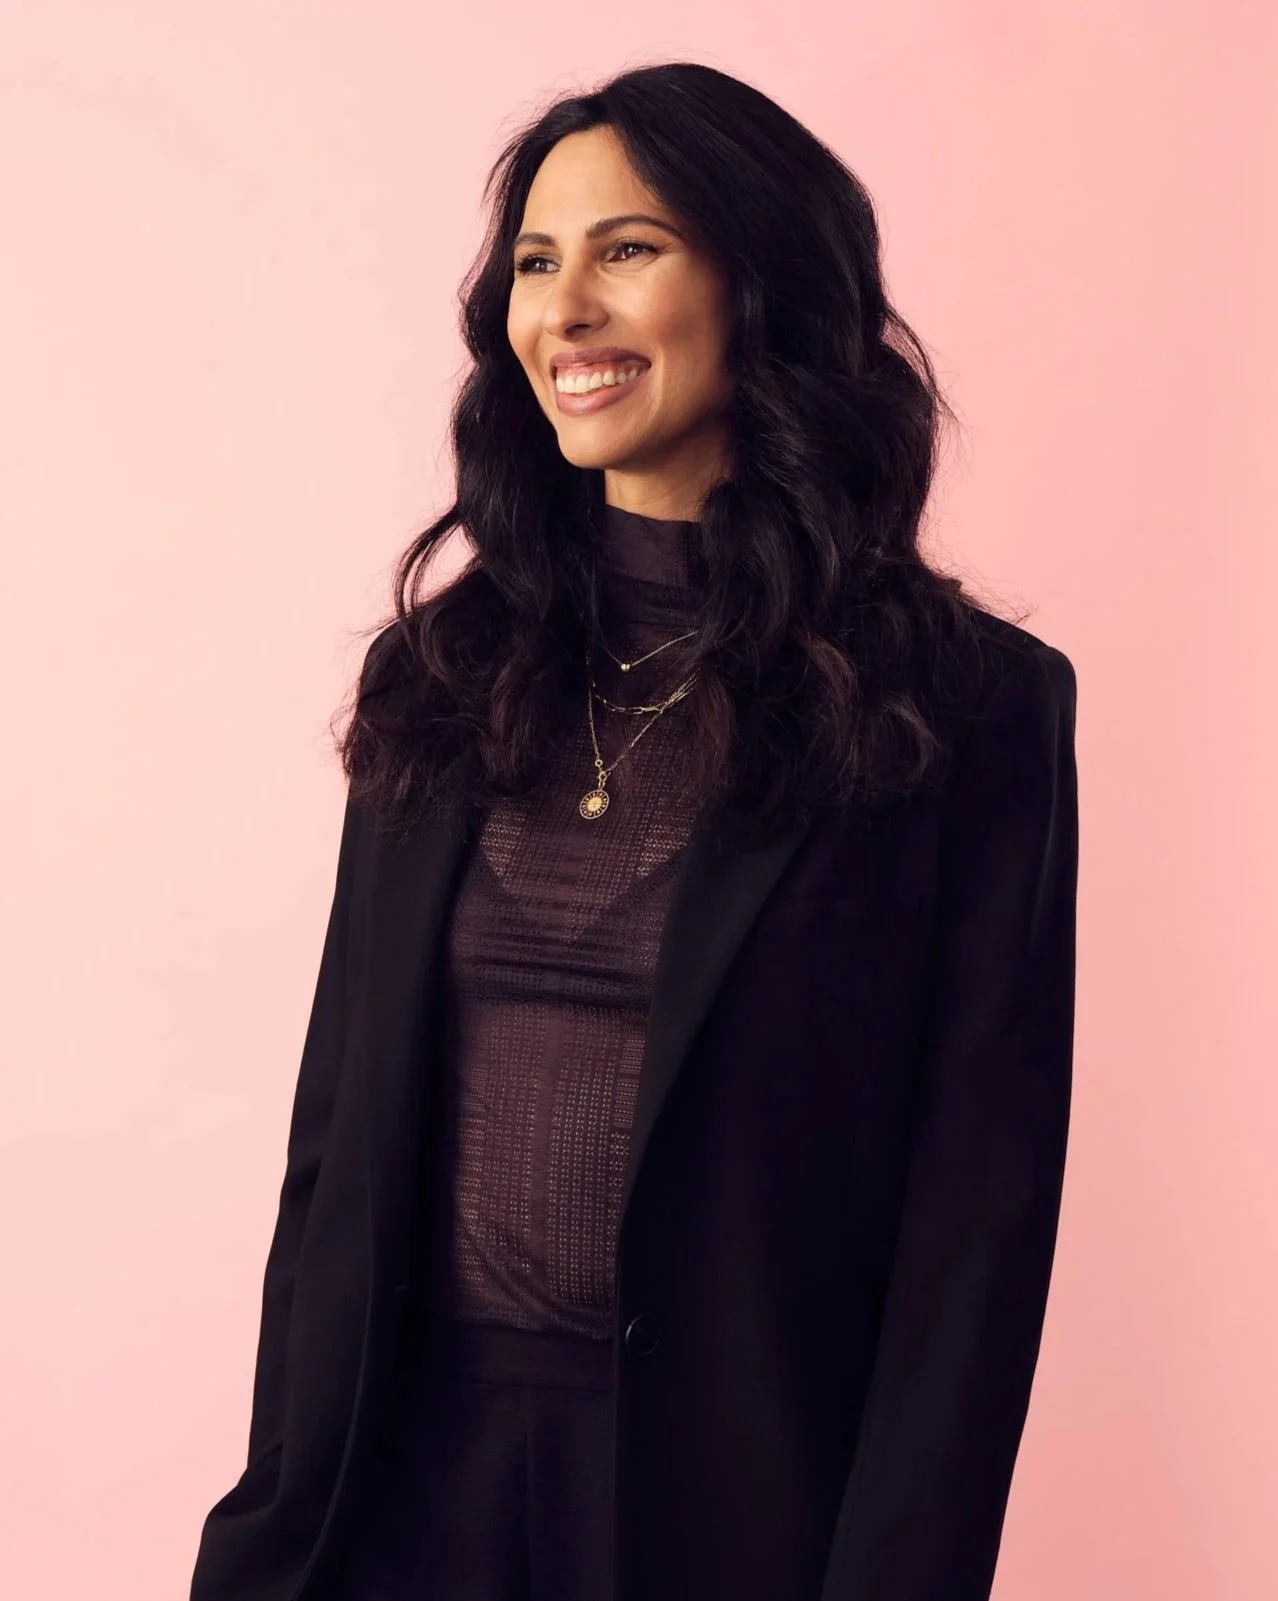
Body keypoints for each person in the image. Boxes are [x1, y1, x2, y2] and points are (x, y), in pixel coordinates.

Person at [187, 59, 1079, 1601]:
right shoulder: (443, 681)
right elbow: (332, 1160)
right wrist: (269, 1522)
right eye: (536, 263)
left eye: (628, 249)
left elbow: (973, 1239)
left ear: (763, 284)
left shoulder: (964, 710)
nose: (565, 310)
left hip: (731, 1508)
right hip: (402, 1497)